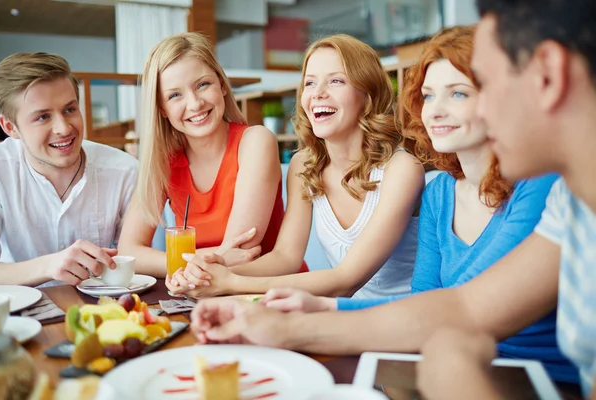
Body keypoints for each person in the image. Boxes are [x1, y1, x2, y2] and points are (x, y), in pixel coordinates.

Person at [189, 0, 596, 397]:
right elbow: (463, 309)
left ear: (548, 76)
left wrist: (449, 361)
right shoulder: (569, 202)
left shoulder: (539, 187)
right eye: (430, 95)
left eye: (478, 86)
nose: (471, 111)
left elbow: (457, 321)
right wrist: (288, 323)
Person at [167, 34, 424, 299]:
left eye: (336, 80)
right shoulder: (306, 164)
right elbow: (285, 258)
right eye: (310, 83)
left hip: (403, 322)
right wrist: (212, 270)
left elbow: (345, 280)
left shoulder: (402, 169)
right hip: (346, 316)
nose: (317, 93)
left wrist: (231, 282)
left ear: (367, 94)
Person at [118, 32, 289, 278]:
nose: (195, 103)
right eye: (175, 95)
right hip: (200, 292)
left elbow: (241, 252)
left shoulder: (256, 141)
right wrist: (203, 261)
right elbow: (129, 251)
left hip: (265, 292)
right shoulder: (164, 162)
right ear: (162, 109)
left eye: (202, 85)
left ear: (221, 85)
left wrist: (179, 264)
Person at [0, 52, 138, 287]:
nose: (63, 128)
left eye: (70, 110)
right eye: (43, 117)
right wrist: (48, 266)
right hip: (22, 317)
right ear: (10, 127)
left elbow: (137, 262)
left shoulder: (125, 172)